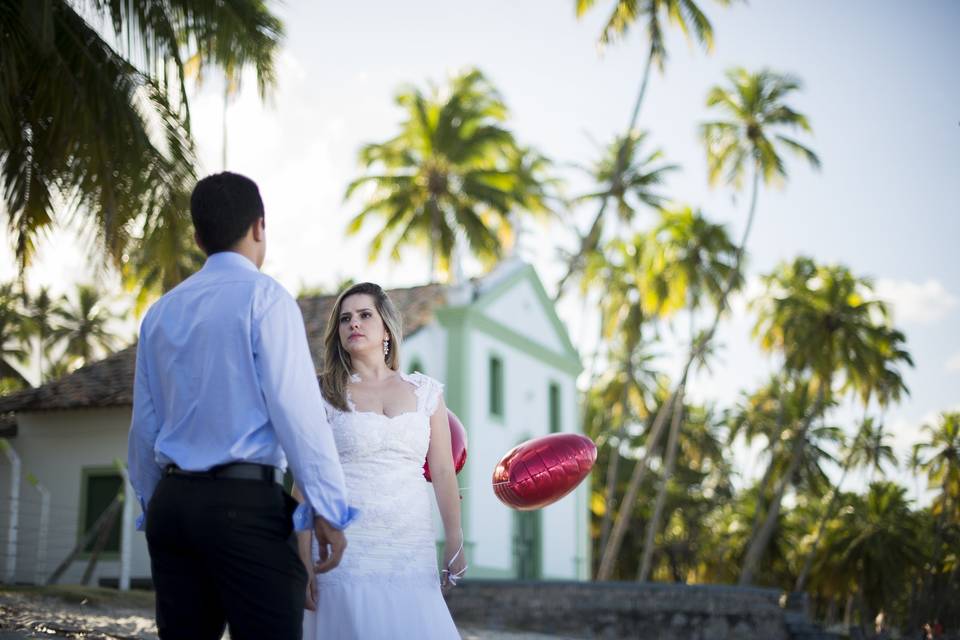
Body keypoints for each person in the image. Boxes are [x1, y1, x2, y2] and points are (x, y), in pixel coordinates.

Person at [127, 172, 356, 640]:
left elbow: (144, 427)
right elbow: (298, 415)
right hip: (243, 507)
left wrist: (155, 506)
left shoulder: (160, 312)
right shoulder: (266, 299)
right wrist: (329, 508)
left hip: (172, 509)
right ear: (259, 227)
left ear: (197, 237)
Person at [297, 282, 465, 640]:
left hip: (410, 550)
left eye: (364, 315)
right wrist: (301, 559)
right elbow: (305, 482)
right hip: (344, 550)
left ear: (386, 328)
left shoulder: (427, 393)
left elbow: (443, 471)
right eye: (345, 319)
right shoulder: (322, 392)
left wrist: (455, 539)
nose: (353, 324)